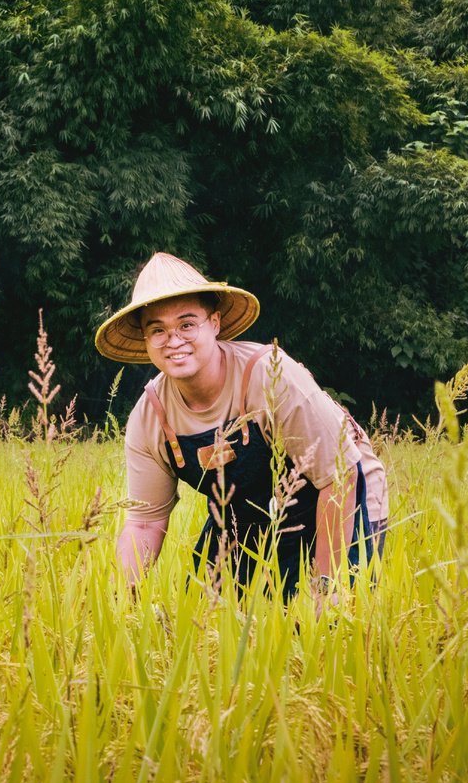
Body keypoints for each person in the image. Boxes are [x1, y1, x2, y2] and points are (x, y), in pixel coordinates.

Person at [98, 252, 388, 599]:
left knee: (322, 623)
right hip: (243, 512)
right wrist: (121, 603)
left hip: (339, 492)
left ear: (215, 323)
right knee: (203, 616)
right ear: (146, 340)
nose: (173, 340)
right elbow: (145, 523)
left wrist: (326, 587)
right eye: (157, 330)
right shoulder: (151, 416)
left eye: (187, 324)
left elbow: (338, 477)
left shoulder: (270, 376)